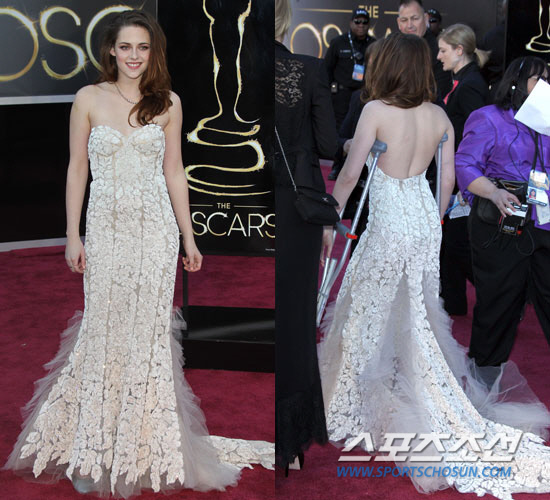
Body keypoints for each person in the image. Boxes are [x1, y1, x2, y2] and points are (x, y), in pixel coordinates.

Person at [3, 10, 272, 497]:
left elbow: (175, 172)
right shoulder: (88, 98)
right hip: (106, 232)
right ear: (111, 49)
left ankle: (142, 444)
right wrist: (72, 234)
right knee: (103, 330)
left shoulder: (168, 102)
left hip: (155, 234)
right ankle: (92, 448)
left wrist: (189, 237)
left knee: (147, 337)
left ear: (153, 53)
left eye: (142, 48)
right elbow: (77, 169)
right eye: (125, 46)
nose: (133, 56)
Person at [318, 33, 550, 498]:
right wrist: (433, 222)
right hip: (424, 220)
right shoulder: (439, 115)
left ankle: (351, 395)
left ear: (386, 66)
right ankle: (411, 386)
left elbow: (350, 174)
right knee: (416, 313)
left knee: (367, 306)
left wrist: (330, 218)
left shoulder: (375, 110)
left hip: (389, 222)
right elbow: (445, 181)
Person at [275, 0, 338, 474]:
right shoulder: (309, 69)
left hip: (239, 210)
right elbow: (327, 144)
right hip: (295, 206)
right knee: (294, 319)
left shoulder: (231, 72)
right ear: (285, 18)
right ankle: (289, 442)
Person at [456, 56, 550, 368]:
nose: (546, 85)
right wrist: (493, 192)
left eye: (549, 79)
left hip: (543, 221)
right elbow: (465, 163)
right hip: (501, 222)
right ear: (516, 82)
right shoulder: (489, 118)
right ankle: (484, 373)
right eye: (539, 79)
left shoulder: (548, 120)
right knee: (499, 303)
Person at [436, 23, 489, 315]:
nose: (439, 56)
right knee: (450, 241)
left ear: (459, 50)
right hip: (456, 172)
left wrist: (467, 180)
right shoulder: (461, 81)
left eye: (443, 50)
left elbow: (478, 136)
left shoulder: (471, 85)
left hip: (464, 176)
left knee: (457, 242)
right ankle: (453, 301)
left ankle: (498, 294)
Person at [325, 7, 375, 180]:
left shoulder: (373, 44)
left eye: (365, 22)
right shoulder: (338, 42)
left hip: (364, 96)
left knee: (361, 131)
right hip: (341, 95)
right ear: (351, 22)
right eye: (357, 22)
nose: (361, 25)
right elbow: (327, 69)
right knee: (341, 132)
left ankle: (359, 169)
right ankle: (337, 165)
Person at [397, 0, 452, 99]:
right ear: (398, 23)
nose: (409, 25)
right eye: (404, 20)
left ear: (426, 19)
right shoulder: (392, 49)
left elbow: (440, 92)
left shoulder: (438, 51)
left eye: (415, 18)